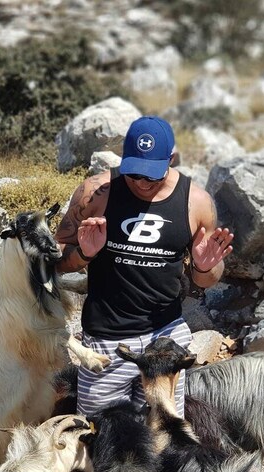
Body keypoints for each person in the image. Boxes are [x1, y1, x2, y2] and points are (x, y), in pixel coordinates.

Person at [55, 115, 234, 417]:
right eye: (134, 173)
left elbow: (207, 280)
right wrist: (85, 254)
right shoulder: (96, 193)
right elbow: (58, 262)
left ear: (171, 160)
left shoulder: (197, 202)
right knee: (97, 437)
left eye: (152, 175)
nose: (141, 183)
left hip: (165, 341)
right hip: (106, 340)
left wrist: (203, 268)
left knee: (161, 437)